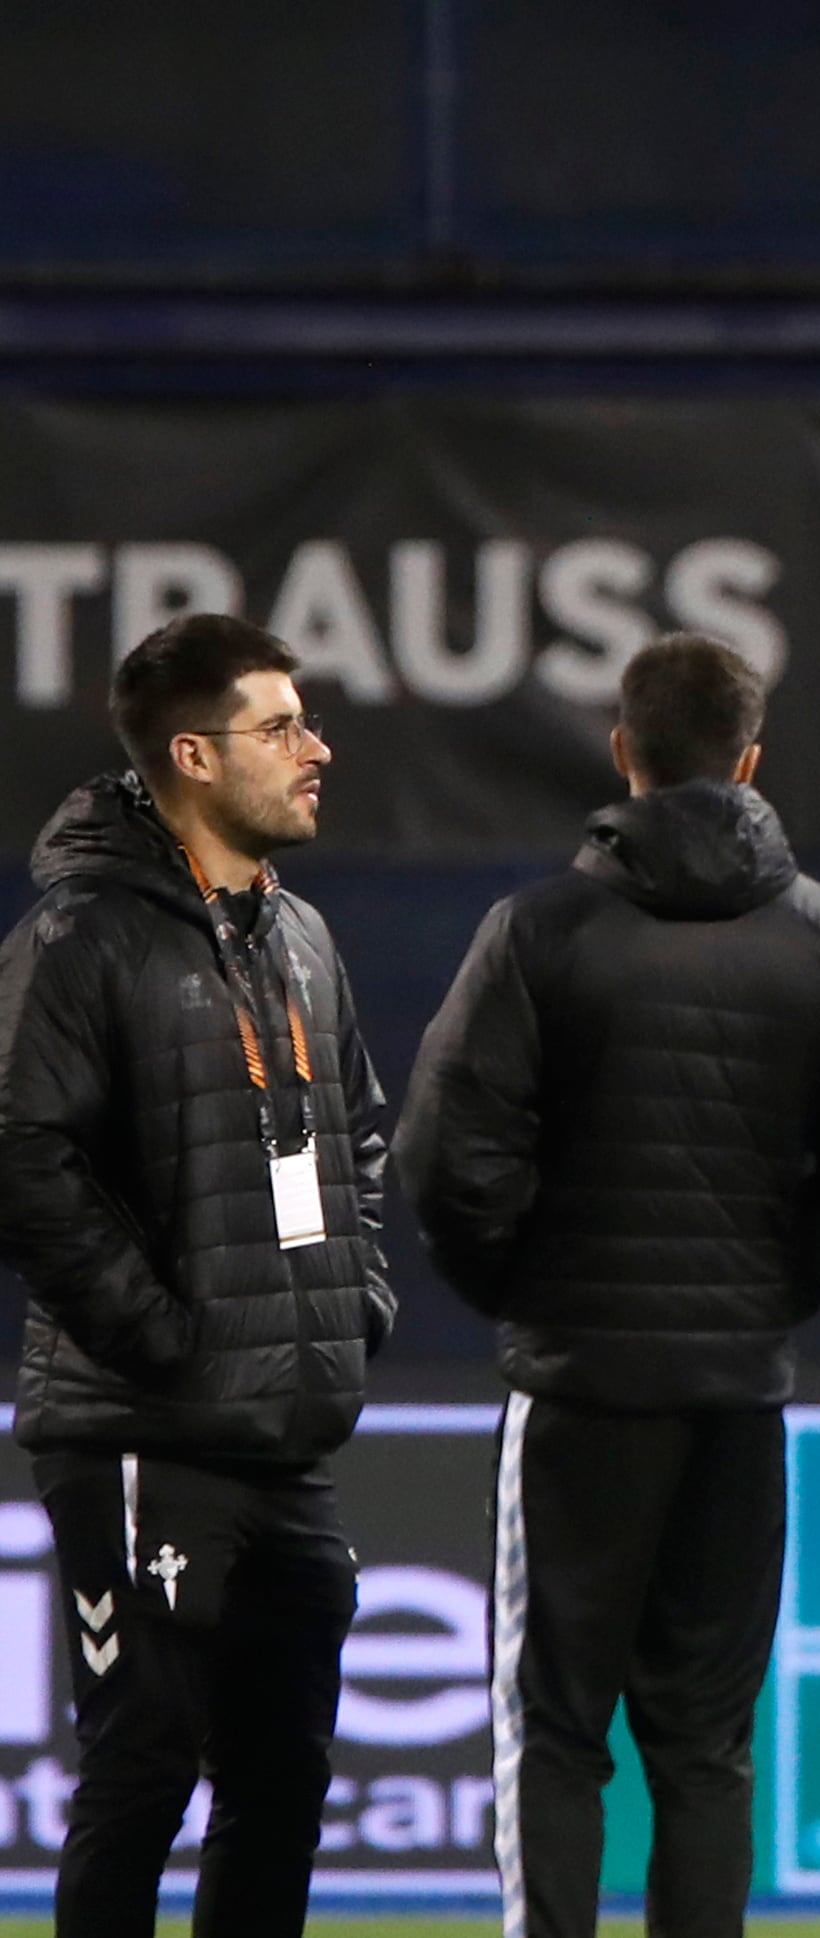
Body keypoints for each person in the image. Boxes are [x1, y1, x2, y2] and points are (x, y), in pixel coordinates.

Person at [394, 633, 820, 1938]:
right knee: (705, 1743)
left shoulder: (538, 931)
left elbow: (443, 1161)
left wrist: (533, 1293)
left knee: (554, 1731)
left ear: (621, 751)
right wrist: (758, 1295)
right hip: (735, 1392)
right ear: (750, 761)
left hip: (579, 1390)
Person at [0, 614, 392, 1938]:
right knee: (143, 1768)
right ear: (193, 756)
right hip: (138, 1428)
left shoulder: (302, 936)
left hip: (283, 1434)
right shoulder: (81, 937)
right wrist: (161, 1333)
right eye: (280, 727)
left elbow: (358, 1135)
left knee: (281, 1786)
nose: (315, 749)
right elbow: (20, 1153)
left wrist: (354, 1297)